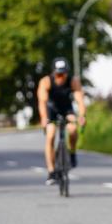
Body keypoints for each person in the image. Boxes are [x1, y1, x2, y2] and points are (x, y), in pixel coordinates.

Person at [36, 57, 86, 185]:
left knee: (73, 129)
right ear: (53, 72)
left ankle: (72, 153)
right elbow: (42, 102)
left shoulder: (73, 81)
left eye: (63, 73)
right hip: (51, 111)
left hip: (66, 110)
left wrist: (81, 116)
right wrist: (43, 118)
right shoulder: (46, 82)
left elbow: (80, 100)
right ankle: (52, 171)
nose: (61, 77)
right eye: (58, 73)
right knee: (51, 134)